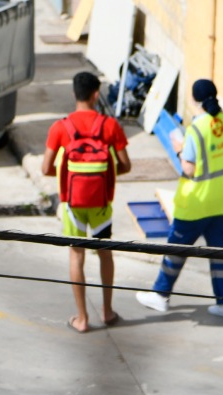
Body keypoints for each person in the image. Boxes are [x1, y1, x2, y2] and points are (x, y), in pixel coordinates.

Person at [137, 79, 223, 319]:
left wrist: (178, 147)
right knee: (221, 253)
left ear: (195, 101)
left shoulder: (196, 129)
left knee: (176, 248)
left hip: (196, 202)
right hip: (222, 199)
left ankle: (160, 295)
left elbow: (189, 168)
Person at [41, 71, 131, 332]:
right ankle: (107, 311)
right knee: (105, 254)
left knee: (76, 255)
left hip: (73, 204)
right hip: (101, 203)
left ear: (74, 94)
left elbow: (46, 167)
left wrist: (68, 174)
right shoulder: (109, 126)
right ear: (95, 95)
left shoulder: (61, 127)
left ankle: (82, 319)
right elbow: (125, 164)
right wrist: (105, 174)